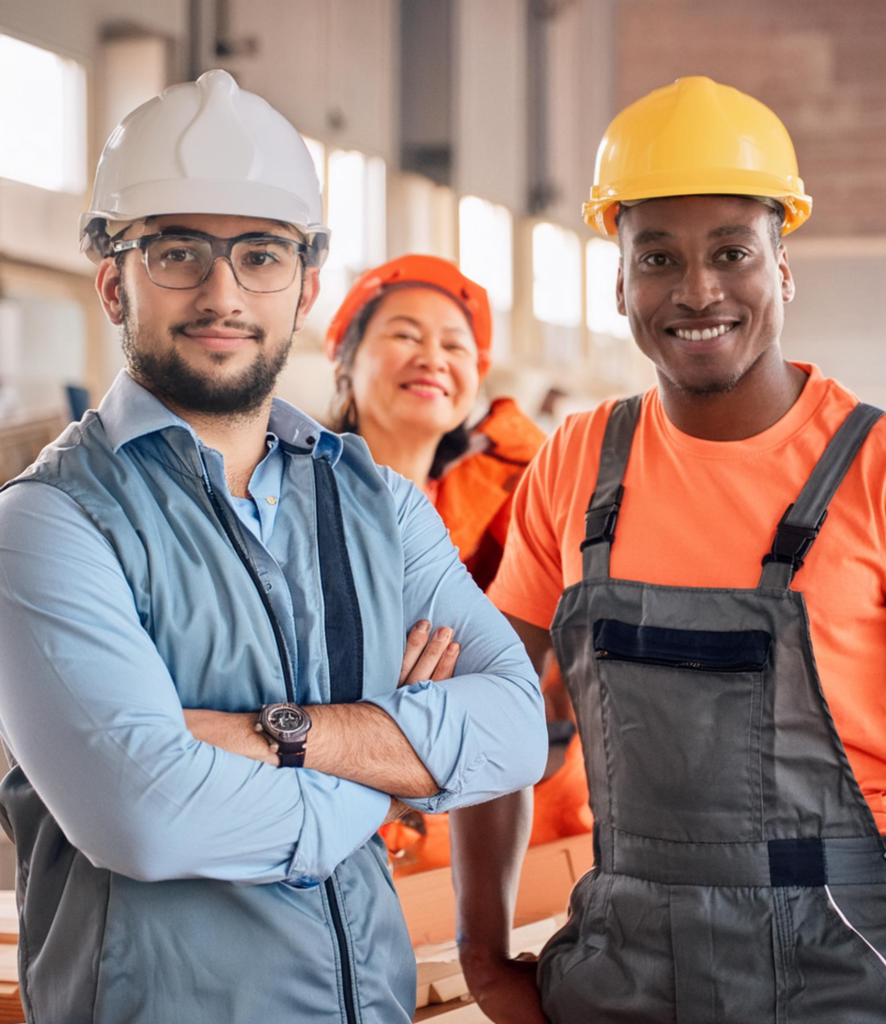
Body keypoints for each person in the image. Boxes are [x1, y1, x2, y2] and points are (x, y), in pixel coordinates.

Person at [466, 76, 886, 1023]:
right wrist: (483, 957)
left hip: (846, 965)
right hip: (617, 971)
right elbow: (487, 713)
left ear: (784, 267)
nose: (697, 291)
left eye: (733, 251)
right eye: (658, 258)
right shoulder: (575, 464)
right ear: (619, 284)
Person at [0, 70, 546, 1024]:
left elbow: (514, 728)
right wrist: (385, 775)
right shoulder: (45, 524)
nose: (222, 291)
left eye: (260, 254)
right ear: (111, 282)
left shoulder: (379, 504)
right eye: (176, 252)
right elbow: (148, 818)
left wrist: (274, 738)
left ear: (304, 285)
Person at [322, 255, 592, 874]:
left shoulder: (524, 502)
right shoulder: (274, 501)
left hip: (525, 846)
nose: (432, 357)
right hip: (341, 847)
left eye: (453, 344)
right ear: (345, 358)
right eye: (404, 335)